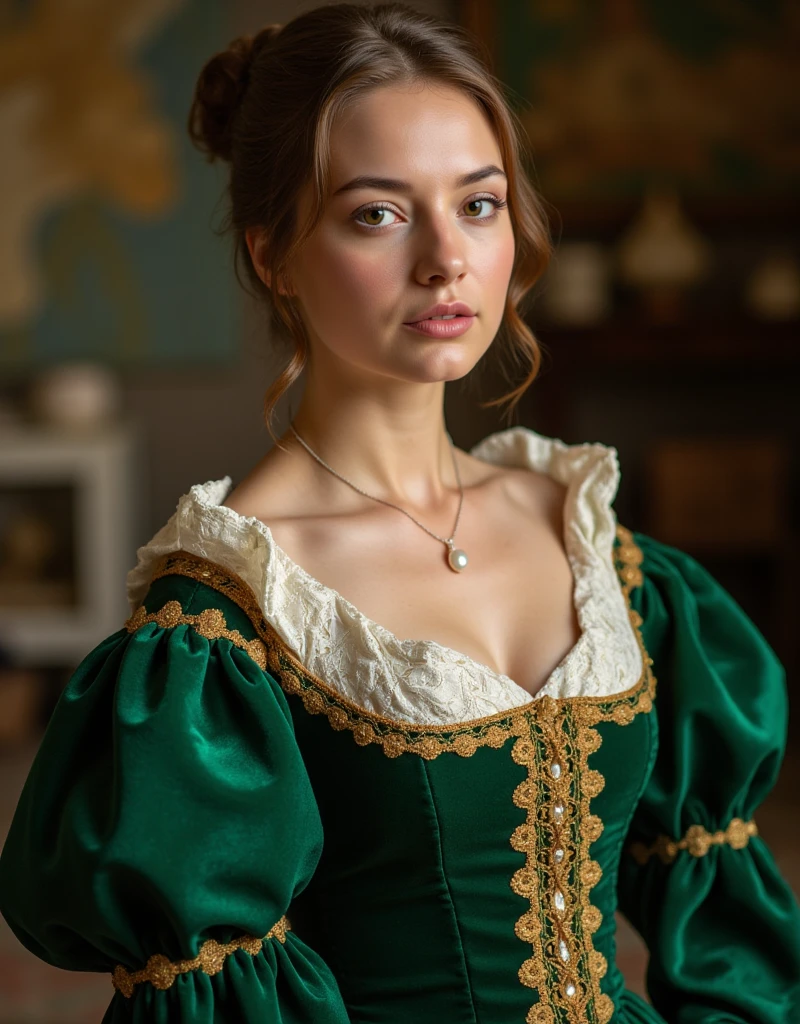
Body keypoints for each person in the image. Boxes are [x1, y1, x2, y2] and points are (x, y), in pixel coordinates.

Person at [1, 4, 799, 1022]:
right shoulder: (221, 623)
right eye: (376, 213)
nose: (444, 259)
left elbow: (722, 925)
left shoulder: (595, 541)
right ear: (272, 254)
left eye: (478, 204)